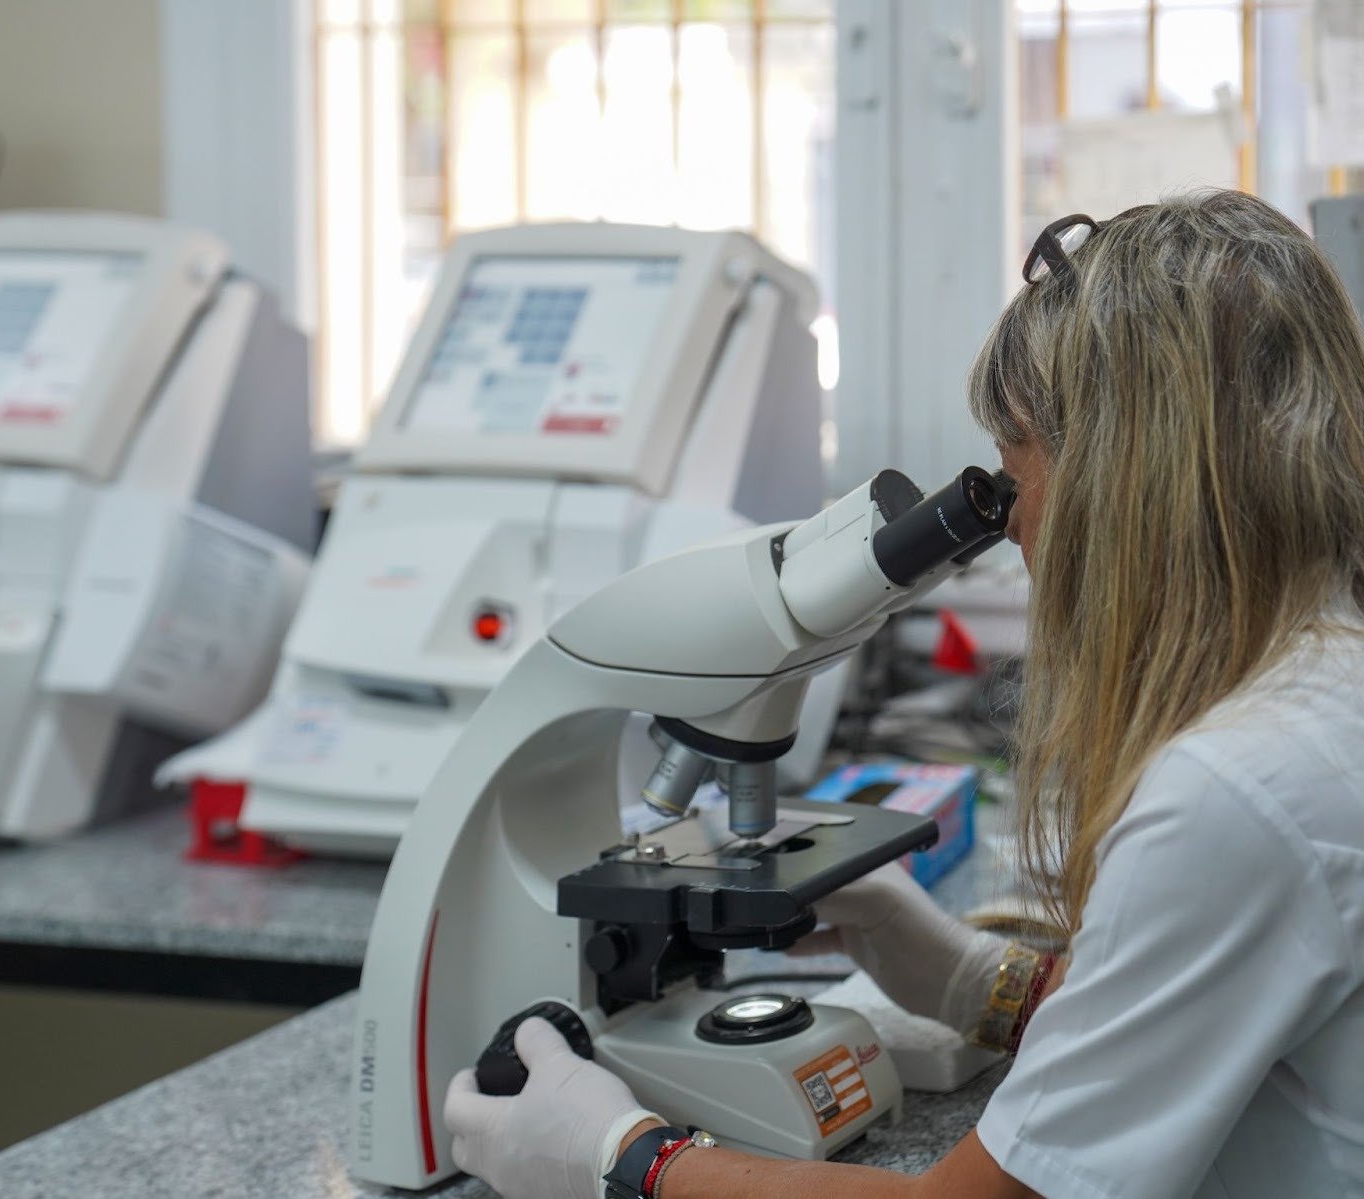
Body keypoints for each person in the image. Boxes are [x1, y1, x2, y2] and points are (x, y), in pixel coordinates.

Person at [442, 189, 1364, 1198]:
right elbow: (1192, 1010)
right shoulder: (1319, 695)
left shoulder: (1232, 788)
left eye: (1015, 477)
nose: (1013, 529)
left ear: (1123, 484)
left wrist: (621, 1154)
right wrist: (967, 976)